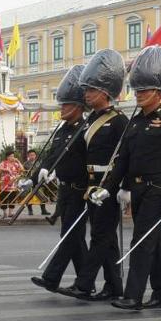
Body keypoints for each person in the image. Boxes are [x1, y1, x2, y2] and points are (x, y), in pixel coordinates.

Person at [86, 45, 161, 310]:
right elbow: (123, 160)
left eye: (144, 90)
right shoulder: (135, 122)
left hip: (159, 188)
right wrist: (108, 188)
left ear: (160, 91)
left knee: (141, 241)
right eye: (137, 89)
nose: (139, 94)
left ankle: (133, 295)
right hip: (139, 190)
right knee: (154, 242)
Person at [57, 48, 128, 302]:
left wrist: (119, 187)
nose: (85, 94)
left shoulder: (119, 121)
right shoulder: (90, 120)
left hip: (107, 186)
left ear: (105, 92)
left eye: (90, 90)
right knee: (106, 241)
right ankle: (114, 286)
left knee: (100, 237)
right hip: (90, 185)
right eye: (85, 89)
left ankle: (84, 284)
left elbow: (124, 157)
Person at [30, 65, 89, 293]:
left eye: (66, 104)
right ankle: (87, 281)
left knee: (70, 235)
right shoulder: (63, 129)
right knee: (74, 238)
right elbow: (51, 156)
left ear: (78, 107)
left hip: (79, 189)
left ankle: (52, 277)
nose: (62, 108)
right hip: (64, 191)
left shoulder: (84, 129)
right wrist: (40, 173)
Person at [23, 150, 50, 216]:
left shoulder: (39, 163)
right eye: (30, 155)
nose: (32, 156)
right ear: (28, 156)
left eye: (33, 155)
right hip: (30, 181)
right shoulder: (26, 164)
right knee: (30, 196)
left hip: (39, 181)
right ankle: (30, 210)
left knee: (41, 194)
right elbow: (25, 172)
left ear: (35, 155)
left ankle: (43, 210)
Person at [0, 150, 24, 218]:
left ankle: (10, 212)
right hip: (5, 184)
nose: (12, 157)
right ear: (7, 157)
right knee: (4, 198)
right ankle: (4, 213)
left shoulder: (15, 163)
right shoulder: (4, 163)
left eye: (13, 156)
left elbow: (22, 169)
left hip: (13, 183)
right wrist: (6, 170)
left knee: (12, 198)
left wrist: (18, 161)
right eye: (10, 156)